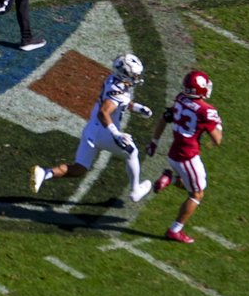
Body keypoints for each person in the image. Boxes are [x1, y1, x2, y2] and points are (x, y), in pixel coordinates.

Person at [30, 53, 155, 202]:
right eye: (134, 75)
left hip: (91, 130)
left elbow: (120, 103)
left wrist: (139, 108)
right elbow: (104, 112)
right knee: (132, 152)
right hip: (104, 132)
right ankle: (135, 190)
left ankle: (44, 173)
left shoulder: (112, 80)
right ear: (124, 74)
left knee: (79, 168)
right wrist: (116, 134)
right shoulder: (118, 92)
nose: (136, 78)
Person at [146, 70, 224, 244]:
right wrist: (218, 123)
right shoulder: (206, 111)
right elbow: (217, 139)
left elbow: (165, 117)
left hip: (175, 152)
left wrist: (154, 141)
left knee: (194, 185)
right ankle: (175, 230)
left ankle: (171, 179)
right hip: (187, 156)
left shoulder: (181, 98)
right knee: (197, 194)